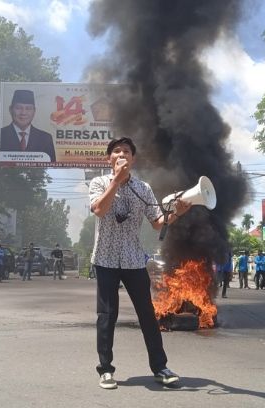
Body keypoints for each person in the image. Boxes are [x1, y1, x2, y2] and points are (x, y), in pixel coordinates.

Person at [89, 137, 191, 390]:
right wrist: (116, 181)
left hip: (134, 260)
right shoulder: (98, 182)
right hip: (105, 258)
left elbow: (157, 222)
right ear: (109, 158)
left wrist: (177, 212)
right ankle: (106, 369)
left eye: (126, 151)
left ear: (133, 159)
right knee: (107, 315)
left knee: (147, 314)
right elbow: (99, 210)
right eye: (116, 151)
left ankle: (161, 368)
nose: (121, 154)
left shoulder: (143, 188)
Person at [0, 90, 56, 161]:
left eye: (28, 108)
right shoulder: (0, 135)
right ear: (10, 109)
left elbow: (52, 165)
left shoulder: (46, 138)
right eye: (19, 108)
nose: (23, 113)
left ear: (34, 111)